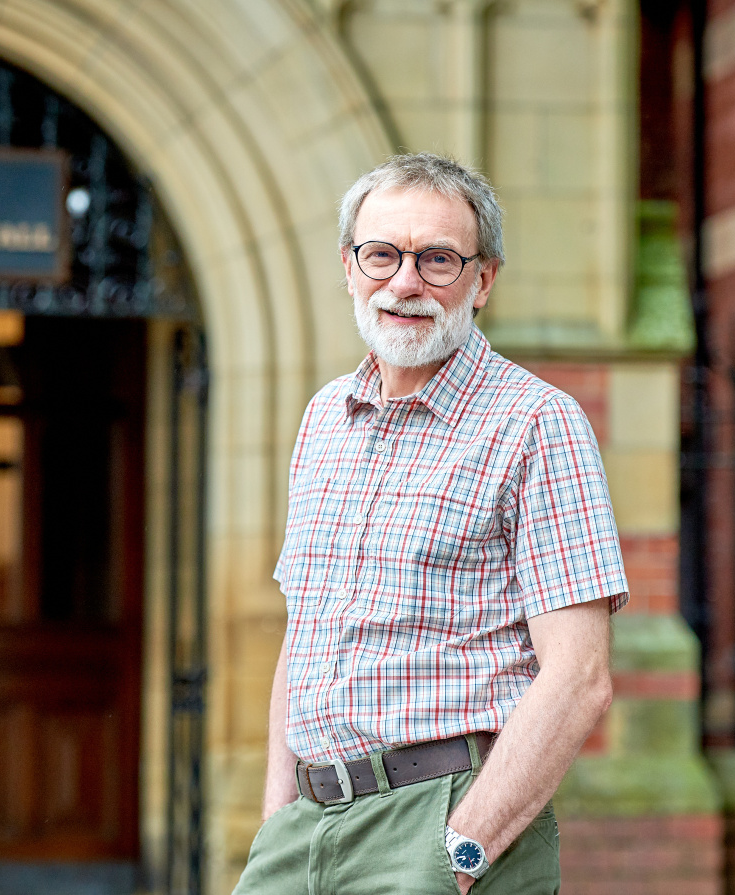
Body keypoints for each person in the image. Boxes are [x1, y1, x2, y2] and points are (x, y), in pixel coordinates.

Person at [233, 153, 628, 895]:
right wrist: (275, 817)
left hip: (439, 820)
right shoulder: (324, 419)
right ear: (351, 268)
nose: (405, 281)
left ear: (482, 281)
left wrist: (460, 853)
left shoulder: (536, 423)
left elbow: (580, 678)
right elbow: (305, 632)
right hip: (302, 829)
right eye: (382, 253)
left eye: (437, 259)